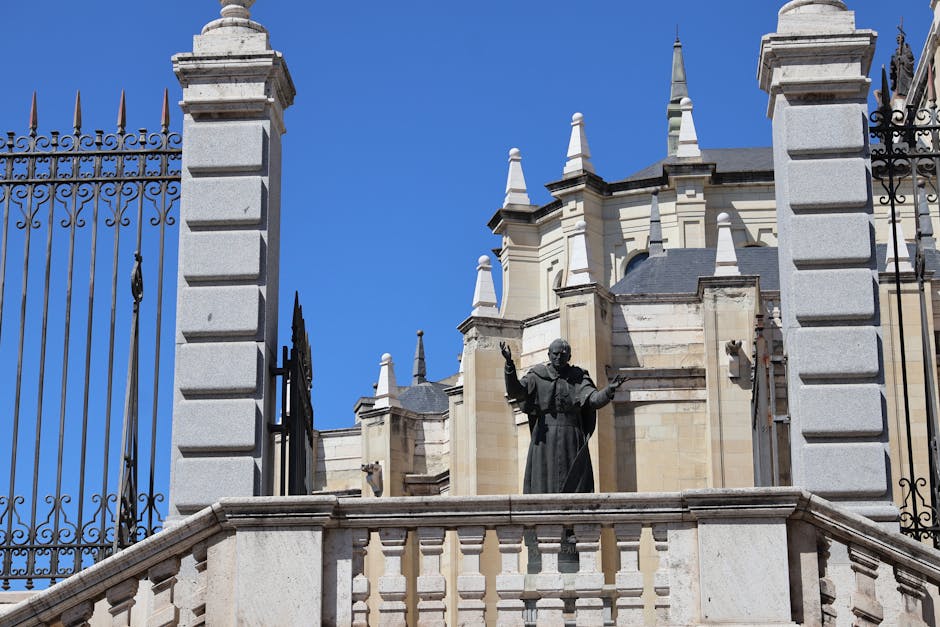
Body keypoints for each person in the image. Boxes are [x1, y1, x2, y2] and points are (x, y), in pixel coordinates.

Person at [500, 338, 625, 494]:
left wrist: (608, 391)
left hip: (571, 436)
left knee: (576, 483)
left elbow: (593, 400)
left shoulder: (578, 376)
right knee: (542, 482)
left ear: (569, 356)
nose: (559, 357)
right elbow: (516, 392)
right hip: (545, 436)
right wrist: (509, 366)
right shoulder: (536, 375)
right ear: (549, 355)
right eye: (555, 354)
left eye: (563, 354)